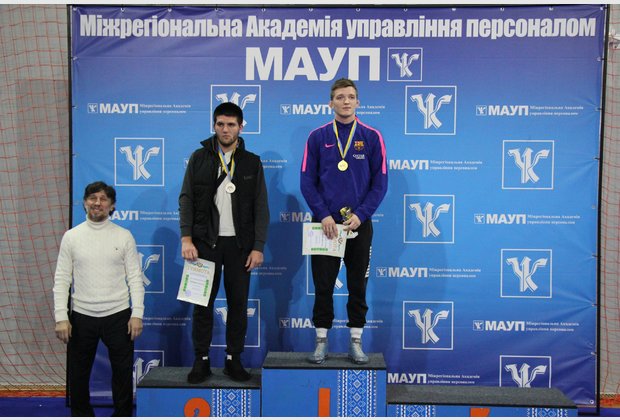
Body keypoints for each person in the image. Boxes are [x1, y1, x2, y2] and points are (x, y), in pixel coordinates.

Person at [179, 102, 269, 383]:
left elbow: (261, 207)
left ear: (241, 127)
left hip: (240, 246)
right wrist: (186, 238)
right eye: (220, 124)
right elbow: (186, 199)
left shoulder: (251, 162)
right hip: (204, 243)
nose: (225, 129)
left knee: (238, 305)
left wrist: (258, 246)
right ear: (214, 126)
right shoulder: (199, 158)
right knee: (202, 305)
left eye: (231, 124)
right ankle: (201, 360)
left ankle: (234, 359)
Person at [300, 78, 388, 364]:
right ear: (331, 103)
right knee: (323, 285)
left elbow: (380, 183)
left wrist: (361, 215)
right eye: (340, 97)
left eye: (350, 96)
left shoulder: (372, 136)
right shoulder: (317, 137)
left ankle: (356, 341)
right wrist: (324, 214)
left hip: (358, 226)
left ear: (358, 102)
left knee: (358, 285)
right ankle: (321, 341)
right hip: (324, 226)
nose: (345, 101)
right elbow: (307, 182)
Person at [53, 181, 145, 417]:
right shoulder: (71, 237)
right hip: (81, 317)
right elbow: (62, 279)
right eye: (93, 198)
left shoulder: (124, 236)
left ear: (112, 206)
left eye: (103, 199)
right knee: (78, 375)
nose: (97, 203)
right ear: (85, 203)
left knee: (122, 374)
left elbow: (135, 278)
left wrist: (137, 314)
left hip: (119, 316)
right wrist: (61, 317)